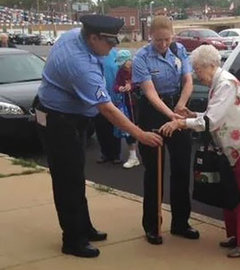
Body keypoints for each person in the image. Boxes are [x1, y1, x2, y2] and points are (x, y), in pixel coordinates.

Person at [35, 15, 162, 258]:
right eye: (110, 43)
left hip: (71, 116)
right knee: (67, 181)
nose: (114, 48)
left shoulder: (77, 36)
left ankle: (83, 227)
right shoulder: (79, 64)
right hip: (57, 120)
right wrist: (139, 134)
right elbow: (106, 108)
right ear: (93, 38)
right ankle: (72, 240)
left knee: (76, 175)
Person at [159, 45, 240, 258]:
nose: (197, 75)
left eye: (197, 69)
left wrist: (181, 124)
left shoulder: (225, 84)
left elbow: (211, 121)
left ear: (209, 65)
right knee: (231, 192)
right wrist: (193, 114)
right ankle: (237, 236)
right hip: (232, 147)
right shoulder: (220, 82)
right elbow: (214, 114)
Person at [132, 15, 198, 245]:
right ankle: (152, 225)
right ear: (150, 36)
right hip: (152, 111)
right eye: (158, 40)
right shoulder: (141, 57)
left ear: (173, 35)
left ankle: (181, 222)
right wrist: (169, 114)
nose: (162, 44)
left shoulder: (179, 50)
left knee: (181, 168)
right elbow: (149, 92)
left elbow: (188, 81)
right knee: (154, 172)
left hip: (175, 106)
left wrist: (180, 105)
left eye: (166, 39)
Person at [94, 48, 122, 164]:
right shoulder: (93, 55)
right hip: (98, 98)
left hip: (114, 96)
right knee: (101, 127)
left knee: (115, 126)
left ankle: (116, 154)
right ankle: (105, 153)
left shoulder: (116, 54)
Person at [113, 49, 140, 169]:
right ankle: (133, 156)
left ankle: (142, 154)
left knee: (142, 127)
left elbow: (143, 83)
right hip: (127, 104)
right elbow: (115, 85)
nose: (123, 66)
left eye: (124, 63)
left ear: (130, 61)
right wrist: (120, 88)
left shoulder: (138, 69)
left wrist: (132, 86)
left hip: (139, 104)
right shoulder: (120, 72)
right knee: (129, 130)